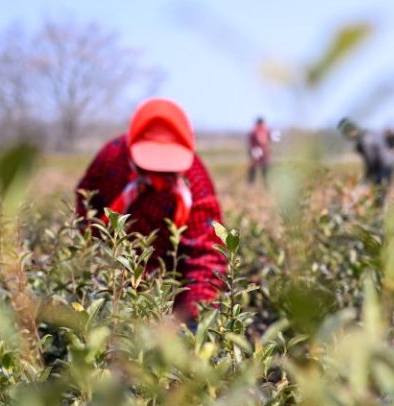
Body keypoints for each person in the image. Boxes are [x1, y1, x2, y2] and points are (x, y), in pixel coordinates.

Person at [75, 98, 227, 324]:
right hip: (113, 284)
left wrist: (192, 319)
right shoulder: (111, 160)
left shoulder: (195, 181)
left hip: (169, 292)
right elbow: (86, 208)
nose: (158, 172)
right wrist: (99, 262)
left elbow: (205, 257)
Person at [338, 117, 394, 203]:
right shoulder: (365, 135)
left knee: (380, 188)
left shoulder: (365, 140)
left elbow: (371, 160)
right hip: (384, 164)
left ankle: (380, 208)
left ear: (353, 131)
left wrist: (367, 176)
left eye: (348, 134)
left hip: (385, 165)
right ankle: (379, 207)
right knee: (379, 188)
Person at [247, 116, 272, 185]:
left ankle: (266, 183)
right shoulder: (254, 132)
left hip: (265, 154)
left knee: (265, 169)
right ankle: (250, 184)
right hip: (256, 152)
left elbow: (268, 140)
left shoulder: (266, 130)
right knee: (253, 169)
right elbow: (251, 144)